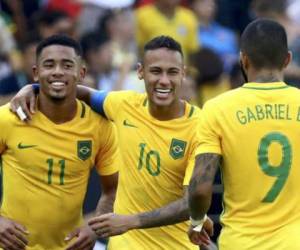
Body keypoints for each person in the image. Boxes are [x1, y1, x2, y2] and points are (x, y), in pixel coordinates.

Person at [10, 35, 214, 250]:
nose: (164, 80)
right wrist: (31, 89)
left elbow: (191, 202)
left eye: (172, 72)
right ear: (140, 72)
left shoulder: (201, 126)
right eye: (155, 71)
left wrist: (131, 221)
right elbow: (80, 92)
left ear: (183, 73)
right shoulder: (123, 104)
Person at [187, 18, 300, 250]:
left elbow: (199, 189)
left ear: (243, 59)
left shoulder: (217, 108)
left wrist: (197, 222)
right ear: (287, 59)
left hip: (241, 243)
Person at [0, 35, 119, 249]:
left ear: (81, 73)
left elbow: (113, 190)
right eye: (49, 64)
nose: (57, 71)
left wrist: (94, 227)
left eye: (67, 65)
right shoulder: (8, 119)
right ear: (36, 73)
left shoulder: (100, 126)